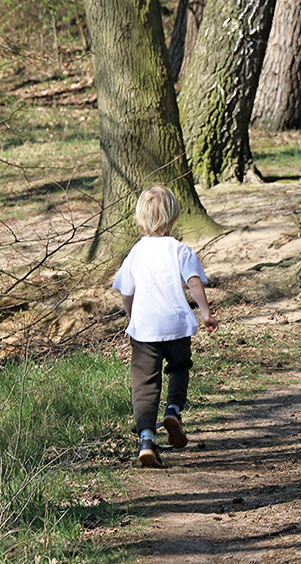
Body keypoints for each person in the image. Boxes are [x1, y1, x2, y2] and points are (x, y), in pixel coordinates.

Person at [112, 184, 218, 467]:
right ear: (173, 218)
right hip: (176, 325)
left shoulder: (135, 253)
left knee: (144, 383)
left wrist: (131, 315)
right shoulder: (180, 250)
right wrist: (205, 312)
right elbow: (194, 281)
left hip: (145, 327)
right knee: (180, 367)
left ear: (140, 219)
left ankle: (147, 437)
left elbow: (126, 290)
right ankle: (173, 410)